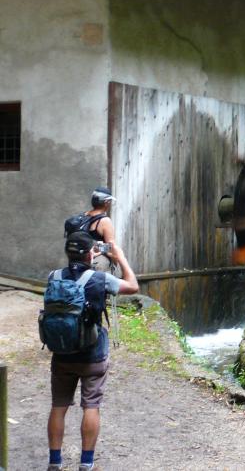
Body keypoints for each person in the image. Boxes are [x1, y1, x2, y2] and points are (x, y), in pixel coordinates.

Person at [46, 232, 138, 471]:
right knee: (91, 405)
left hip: (62, 353)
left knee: (58, 406)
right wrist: (120, 257)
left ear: (68, 253)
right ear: (90, 254)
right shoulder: (100, 278)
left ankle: (55, 461)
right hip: (91, 354)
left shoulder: (53, 277)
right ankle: (86, 463)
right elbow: (133, 286)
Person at [64, 187, 118, 275]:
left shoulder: (81, 217)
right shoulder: (104, 221)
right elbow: (111, 248)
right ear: (106, 202)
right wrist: (116, 262)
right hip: (97, 266)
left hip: (76, 264)